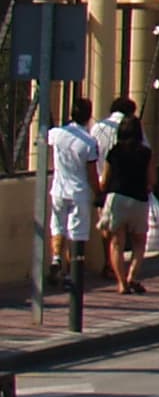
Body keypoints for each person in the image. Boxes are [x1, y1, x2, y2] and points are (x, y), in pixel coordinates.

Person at [98, 101, 153, 294]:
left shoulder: (115, 152)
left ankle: (121, 283)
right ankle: (132, 277)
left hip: (117, 197)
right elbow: (151, 180)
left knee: (116, 242)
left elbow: (104, 179)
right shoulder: (146, 153)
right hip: (138, 199)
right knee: (139, 242)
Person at [44, 96, 98, 289]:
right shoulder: (89, 142)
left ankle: (57, 259)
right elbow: (92, 173)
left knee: (57, 226)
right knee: (77, 232)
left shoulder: (57, 134)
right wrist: (98, 192)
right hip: (79, 191)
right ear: (89, 116)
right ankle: (71, 273)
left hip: (59, 189)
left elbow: (45, 137)